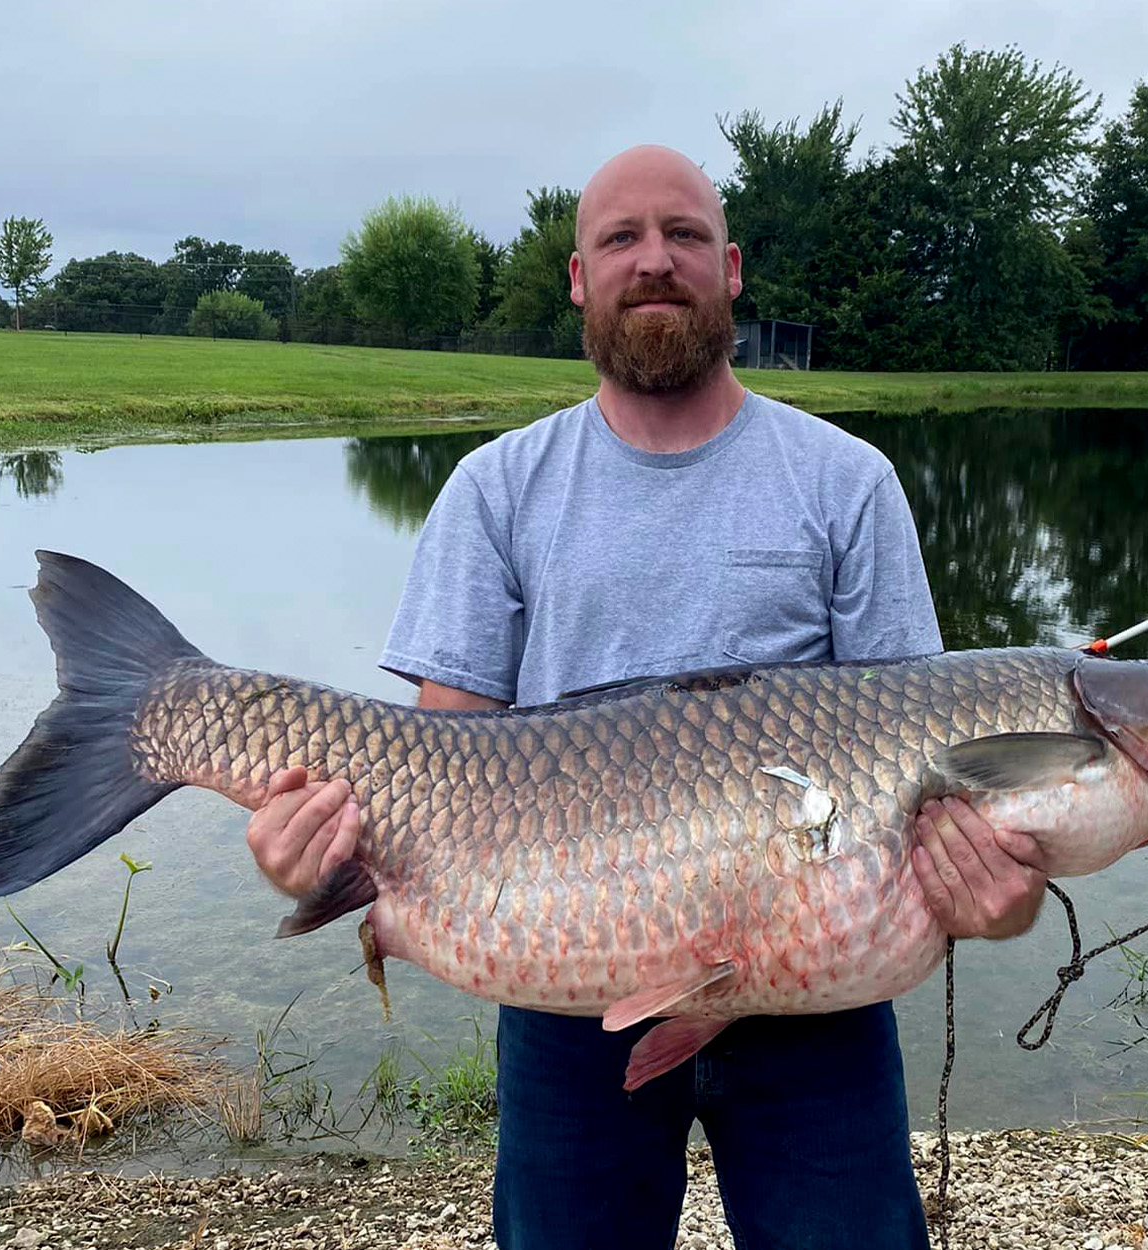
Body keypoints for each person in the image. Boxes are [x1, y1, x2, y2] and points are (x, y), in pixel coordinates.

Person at [243, 144, 1047, 1249]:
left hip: (812, 995)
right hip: (572, 984)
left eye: (682, 235)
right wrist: (331, 851)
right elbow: (442, 777)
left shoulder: (845, 480)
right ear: (578, 277)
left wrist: (994, 896)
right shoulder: (495, 488)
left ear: (731, 265)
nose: (653, 260)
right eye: (620, 238)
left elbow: (917, 768)